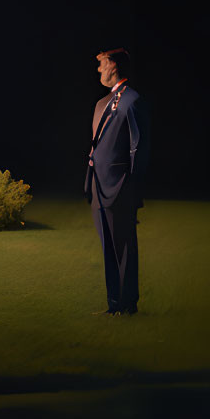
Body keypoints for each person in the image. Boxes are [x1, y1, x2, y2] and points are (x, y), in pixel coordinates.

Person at [84, 47, 149, 315]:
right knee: (108, 248)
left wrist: (131, 186)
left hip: (120, 186)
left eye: (102, 64)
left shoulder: (131, 100)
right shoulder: (103, 103)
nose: (99, 70)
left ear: (113, 66)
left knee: (123, 248)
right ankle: (113, 304)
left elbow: (139, 147)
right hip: (99, 185)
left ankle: (127, 303)